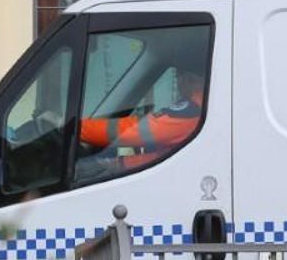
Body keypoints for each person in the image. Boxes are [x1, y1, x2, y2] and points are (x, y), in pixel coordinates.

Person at [77, 67, 205, 178]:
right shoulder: (201, 109)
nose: (178, 83)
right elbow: (154, 146)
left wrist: (76, 129)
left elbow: (130, 132)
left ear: (189, 80)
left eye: (178, 76)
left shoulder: (191, 112)